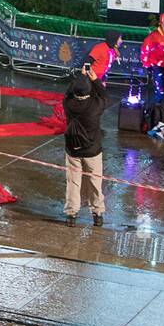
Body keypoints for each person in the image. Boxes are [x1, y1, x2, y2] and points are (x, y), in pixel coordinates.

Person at [62, 63, 108, 227]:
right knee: (95, 182)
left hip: (73, 149)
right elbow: (103, 96)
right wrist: (94, 80)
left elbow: (68, 92)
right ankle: (97, 213)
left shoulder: (68, 104)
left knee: (73, 182)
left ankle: (71, 214)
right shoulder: (95, 106)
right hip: (92, 151)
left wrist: (80, 77)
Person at [140, 13, 164, 102]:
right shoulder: (154, 36)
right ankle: (153, 112)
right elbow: (145, 51)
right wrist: (147, 66)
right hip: (156, 67)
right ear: (163, 22)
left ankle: (160, 111)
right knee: (157, 92)